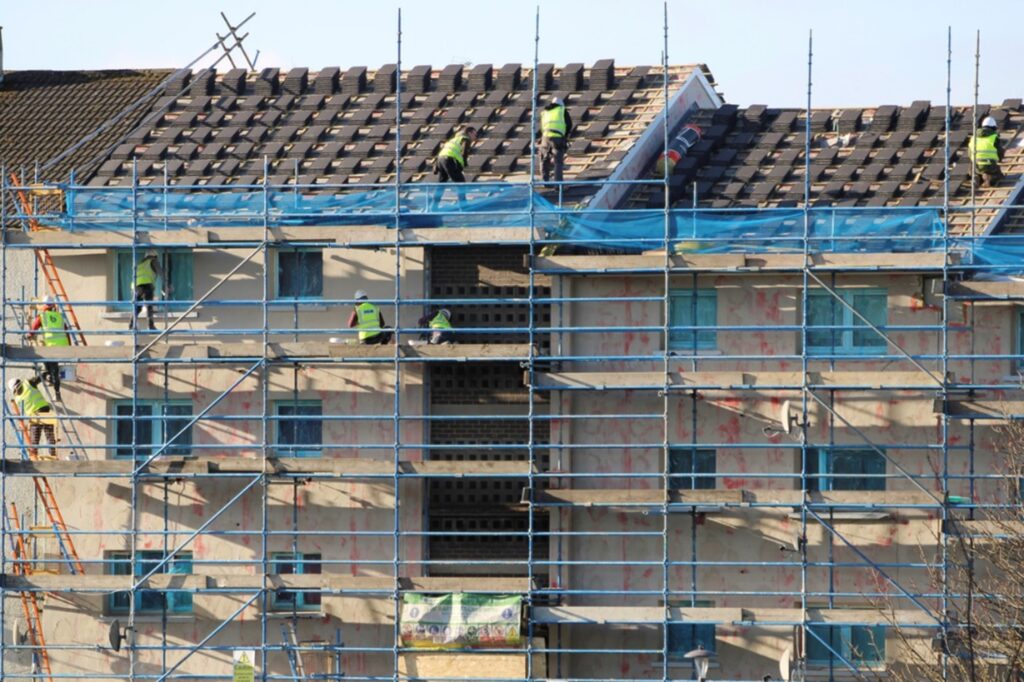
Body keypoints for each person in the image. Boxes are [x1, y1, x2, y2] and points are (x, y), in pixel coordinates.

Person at [26, 295, 69, 401]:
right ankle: (47, 377)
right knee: (51, 367)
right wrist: (69, 346)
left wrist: (28, 335)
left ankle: (56, 392)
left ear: (44, 306)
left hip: (51, 346)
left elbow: (34, 328)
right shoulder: (59, 316)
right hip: (63, 346)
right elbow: (67, 331)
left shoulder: (42, 316)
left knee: (53, 369)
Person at [8, 376, 57, 459]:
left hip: (35, 417)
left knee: (34, 441)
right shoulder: (28, 383)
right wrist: (48, 375)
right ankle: (52, 456)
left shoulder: (17, 399)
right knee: (49, 436)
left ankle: (35, 458)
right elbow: (40, 376)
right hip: (44, 411)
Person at [538, 96, 574, 184]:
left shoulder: (545, 112)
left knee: (544, 159)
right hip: (557, 138)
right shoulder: (562, 110)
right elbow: (569, 125)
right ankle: (558, 185)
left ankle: (545, 181)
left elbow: (541, 126)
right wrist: (565, 136)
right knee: (558, 161)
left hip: (545, 137)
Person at [968, 115, 1004, 189]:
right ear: (994, 127)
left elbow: (969, 153)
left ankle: (977, 177)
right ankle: (989, 179)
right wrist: (999, 159)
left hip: (977, 165)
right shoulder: (994, 137)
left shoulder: (973, 137)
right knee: (999, 175)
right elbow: (1000, 151)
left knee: (972, 167)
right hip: (990, 165)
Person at [130, 250, 162, 331]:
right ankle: (151, 326)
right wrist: (168, 283)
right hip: (146, 285)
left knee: (137, 307)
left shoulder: (140, 264)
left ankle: (131, 325)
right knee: (149, 306)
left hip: (135, 287)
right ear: (154, 256)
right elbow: (162, 273)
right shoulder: (153, 261)